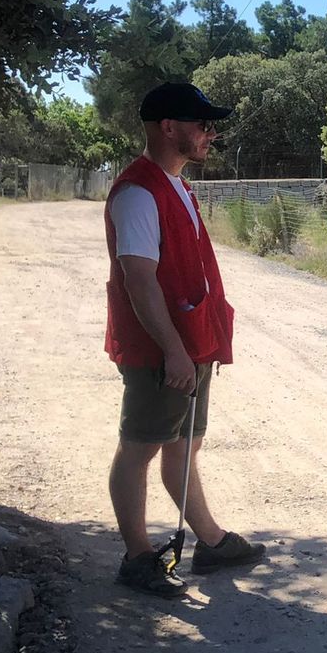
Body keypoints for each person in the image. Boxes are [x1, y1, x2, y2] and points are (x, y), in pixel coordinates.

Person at [104, 81, 266, 597]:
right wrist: (174, 351)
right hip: (161, 351)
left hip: (191, 344)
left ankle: (211, 543)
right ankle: (137, 558)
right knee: (139, 450)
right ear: (168, 126)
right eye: (202, 125)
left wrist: (196, 345)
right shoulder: (137, 193)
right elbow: (139, 280)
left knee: (184, 446)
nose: (210, 134)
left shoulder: (176, 185)